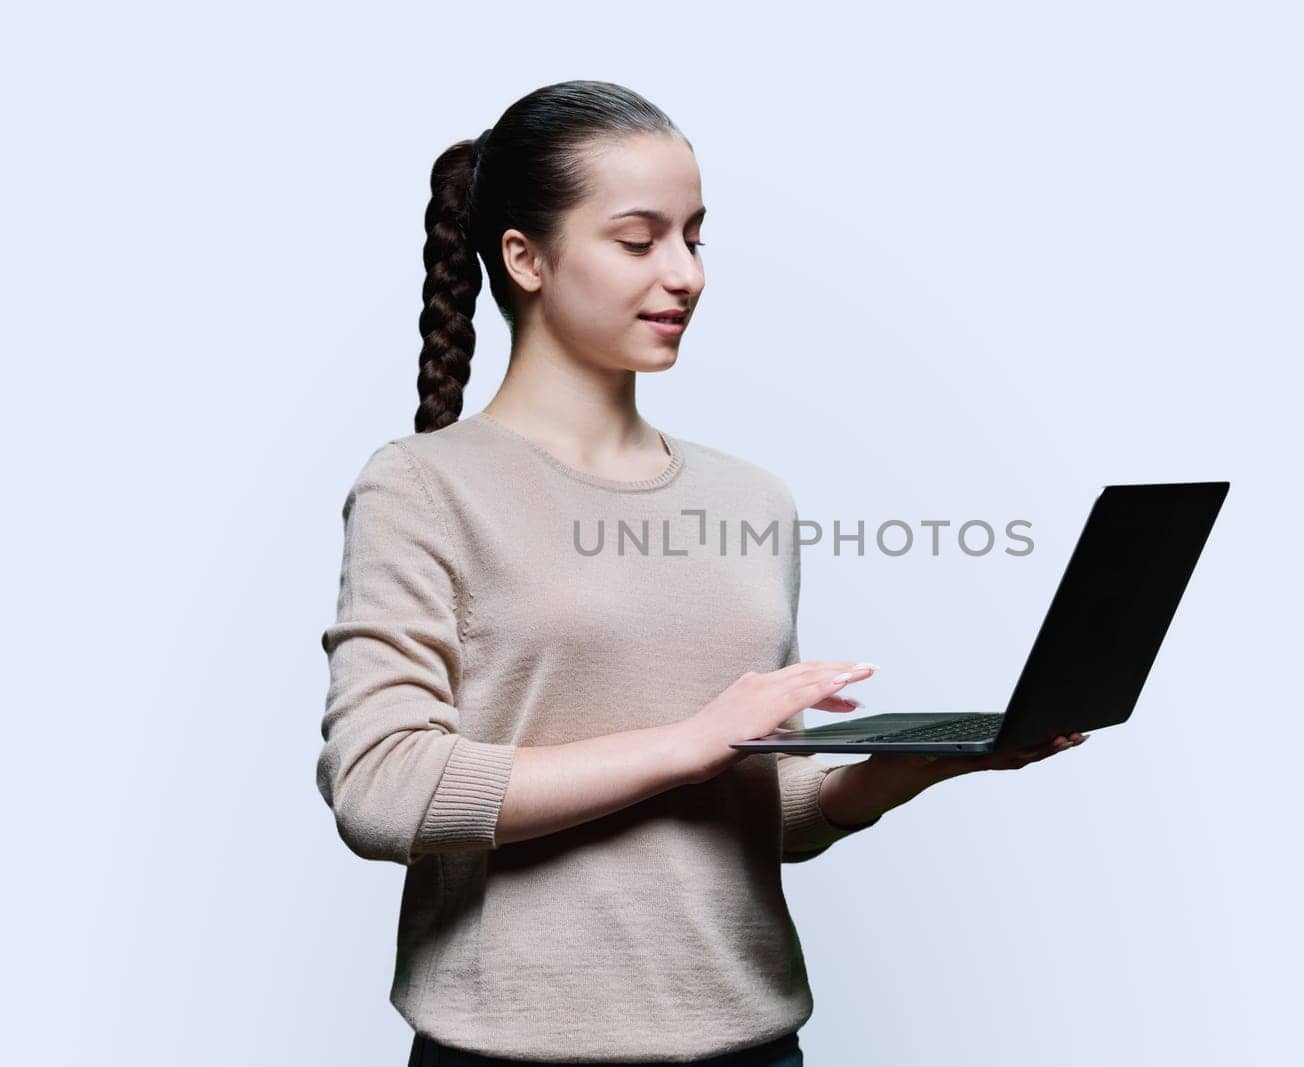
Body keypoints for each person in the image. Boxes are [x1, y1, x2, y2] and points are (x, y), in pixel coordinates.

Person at [315, 79, 1087, 1067]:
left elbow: (771, 812)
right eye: (640, 241)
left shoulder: (751, 499)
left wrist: (912, 767)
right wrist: (689, 741)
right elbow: (380, 788)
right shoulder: (423, 484)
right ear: (525, 257)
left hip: (751, 1041)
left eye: (695, 237)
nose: (685, 273)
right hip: (510, 1050)